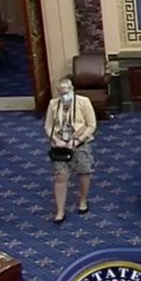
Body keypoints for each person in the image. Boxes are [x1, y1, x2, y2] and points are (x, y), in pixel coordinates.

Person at [44, 76, 98, 224]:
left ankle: (83, 200)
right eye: (61, 91)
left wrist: (77, 140)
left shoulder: (83, 102)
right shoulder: (53, 104)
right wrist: (56, 140)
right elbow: (48, 125)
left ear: (72, 89)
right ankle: (60, 210)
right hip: (60, 145)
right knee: (60, 177)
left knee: (83, 173)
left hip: (80, 143)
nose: (64, 93)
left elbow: (91, 125)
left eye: (67, 90)